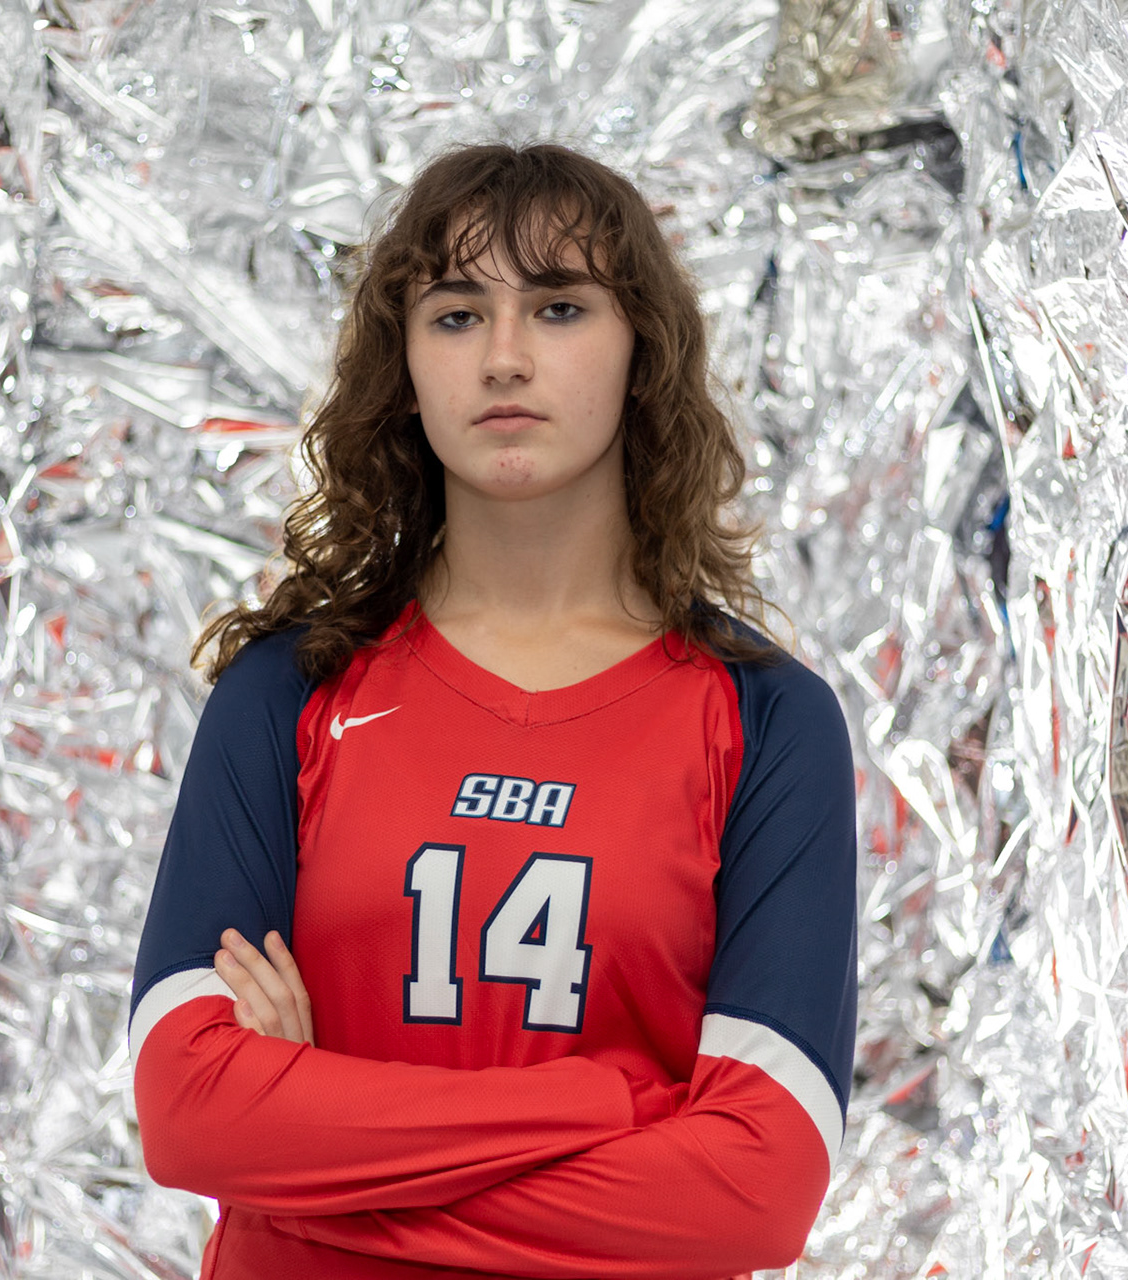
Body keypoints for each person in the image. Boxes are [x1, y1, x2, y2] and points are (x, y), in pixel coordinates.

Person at [128, 141, 858, 1279]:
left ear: (642, 349)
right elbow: (191, 1112)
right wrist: (608, 1104)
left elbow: (754, 1193)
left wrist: (310, 1162)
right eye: (458, 315)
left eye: (560, 308)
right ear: (405, 362)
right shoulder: (290, 687)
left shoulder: (766, 721)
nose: (505, 357)